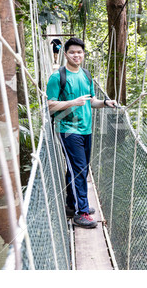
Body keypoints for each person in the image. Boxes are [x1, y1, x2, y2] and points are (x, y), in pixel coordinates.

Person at [46, 37, 117, 228]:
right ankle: (82, 212)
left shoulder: (86, 75)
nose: (76, 55)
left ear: (83, 54)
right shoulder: (57, 77)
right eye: (72, 52)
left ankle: (72, 204)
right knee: (79, 170)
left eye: (79, 52)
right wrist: (72, 102)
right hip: (67, 129)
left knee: (78, 168)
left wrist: (104, 103)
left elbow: (91, 101)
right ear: (65, 54)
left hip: (86, 128)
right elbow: (50, 106)